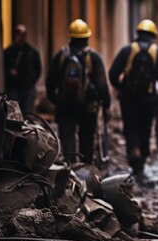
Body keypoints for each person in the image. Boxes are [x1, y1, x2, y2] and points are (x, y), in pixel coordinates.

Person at [108, 19, 158, 174]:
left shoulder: (127, 49)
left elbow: (113, 73)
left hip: (128, 97)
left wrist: (120, 87)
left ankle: (133, 150)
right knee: (145, 127)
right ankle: (142, 156)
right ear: (154, 34)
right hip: (149, 98)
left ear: (138, 33)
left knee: (130, 127)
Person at [46, 19, 111, 164]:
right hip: (88, 107)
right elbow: (102, 85)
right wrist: (106, 105)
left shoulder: (61, 56)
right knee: (86, 143)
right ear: (87, 37)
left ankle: (69, 172)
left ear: (70, 36)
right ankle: (85, 172)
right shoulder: (93, 58)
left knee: (67, 144)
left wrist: (56, 100)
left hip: (65, 106)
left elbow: (50, 82)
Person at [4, 24, 42, 113]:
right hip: (14, 86)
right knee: (15, 111)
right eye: (20, 35)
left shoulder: (32, 51)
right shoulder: (9, 51)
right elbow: (4, 66)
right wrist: (10, 72)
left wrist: (32, 79)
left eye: (24, 35)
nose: (22, 37)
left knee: (27, 111)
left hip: (28, 86)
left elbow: (38, 68)